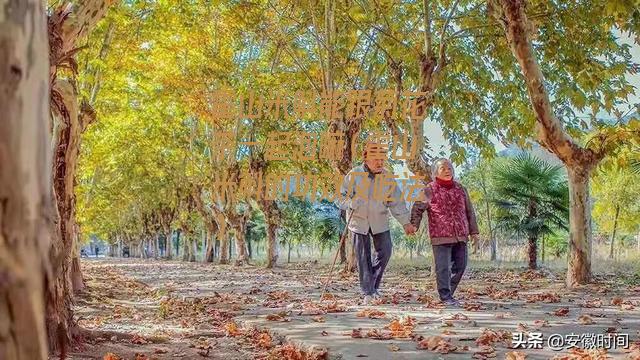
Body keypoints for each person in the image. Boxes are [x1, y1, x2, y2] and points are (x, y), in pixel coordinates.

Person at [337, 141, 417, 305]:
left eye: (382, 159)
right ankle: (368, 292)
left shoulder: (388, 177)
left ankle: (371, 285)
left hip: (379, 219)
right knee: (363, 256)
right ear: (366, 158)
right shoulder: (354, 175)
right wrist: (351, 202)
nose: (380, 162)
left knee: (386, 251)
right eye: (376, 159)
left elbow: (396, 202)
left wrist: (405, 223)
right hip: (358, 222)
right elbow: (340, 198)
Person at [410, 158, 479, 307]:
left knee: (461, 266)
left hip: (460, 234)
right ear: (435, 173)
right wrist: (414, 225)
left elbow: (469, 211)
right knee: (443, 268)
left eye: (450, 168)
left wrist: (474, 232)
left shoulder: (461, 188)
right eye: (443, 168)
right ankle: (445, 296)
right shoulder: (429, 189)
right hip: (440, 235)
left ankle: (447, 293)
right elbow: (417, 208)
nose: (448, 171)